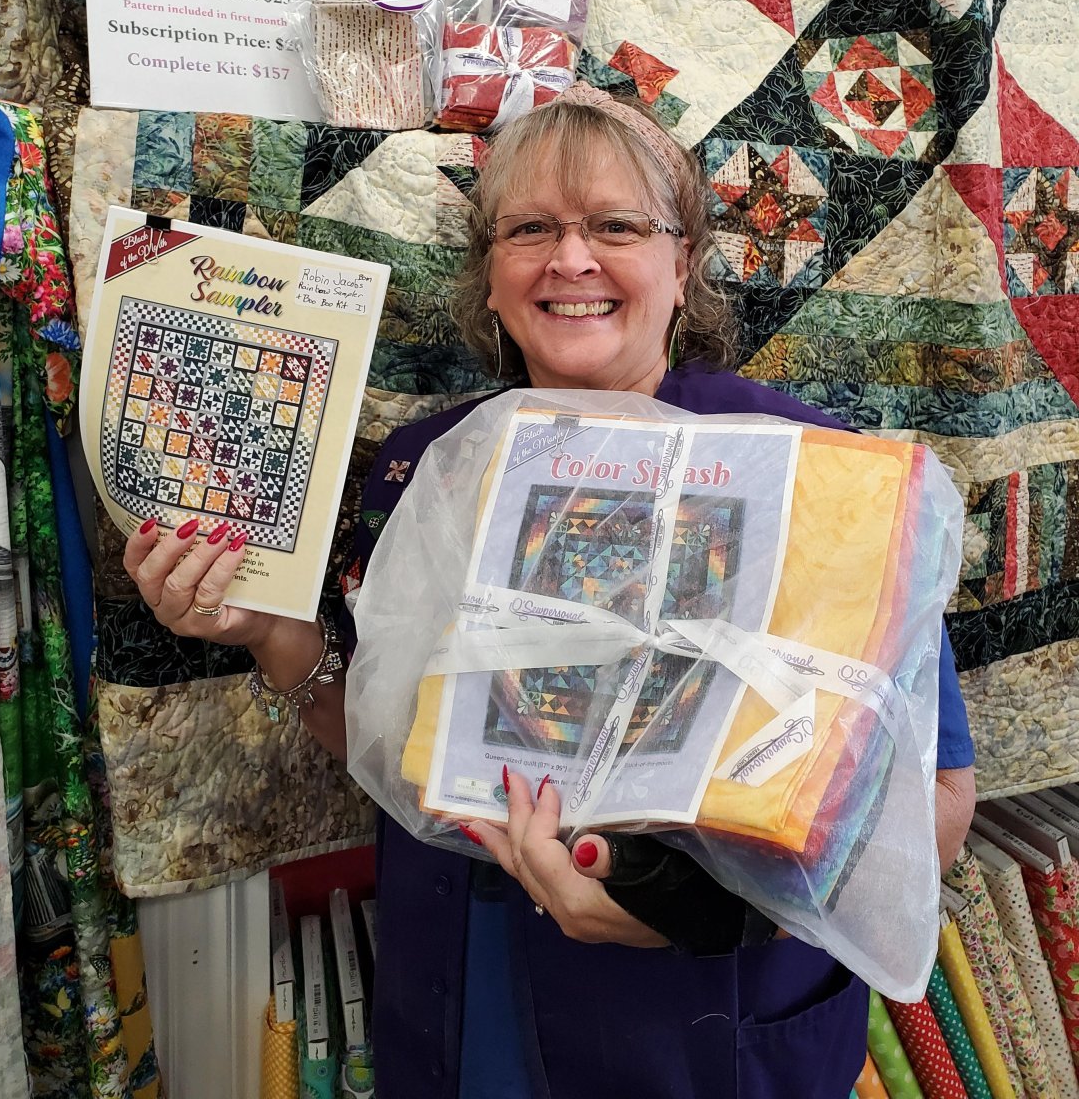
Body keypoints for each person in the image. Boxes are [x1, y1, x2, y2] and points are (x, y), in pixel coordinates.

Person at [124, 84, 976, 1099]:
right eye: (530, 229)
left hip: (697, 1021)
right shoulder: (422, 468)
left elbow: (936, 805)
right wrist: (271, 631)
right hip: (463, 986)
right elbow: (398, 749)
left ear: (681, 263)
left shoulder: (808, 468)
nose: (570, 260)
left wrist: (691, 907)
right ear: (490, 278)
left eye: (615, 226)